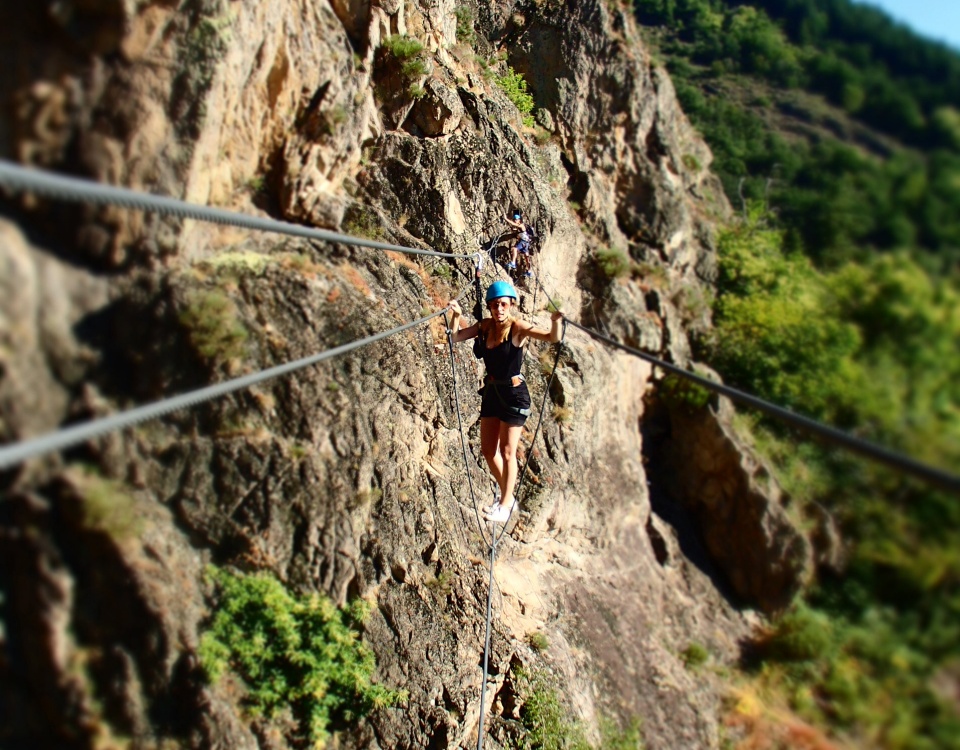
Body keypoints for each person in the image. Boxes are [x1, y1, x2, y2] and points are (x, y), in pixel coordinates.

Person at [447, 281, 563, 523]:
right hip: (491, 392)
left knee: (508, 452)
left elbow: (552, 338)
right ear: (489, 306)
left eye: (503, 304)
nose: (498, 308)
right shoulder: (485, 327)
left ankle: (504, 503)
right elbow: (454, 337)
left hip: (514, 394)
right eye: (494, 304)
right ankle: (508, 498)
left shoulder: (517, 327)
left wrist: (555, 321)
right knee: (489, 451)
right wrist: (456, 316)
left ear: (510, 305)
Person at [504, 211, 533, 277]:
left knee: (514, 249)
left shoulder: (521, 225)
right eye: (514, 219)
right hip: (526, 243)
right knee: (526, 256)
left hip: (523, 241)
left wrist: (506, 219)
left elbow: (515, 225)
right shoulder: (520, 227)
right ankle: (529, 271)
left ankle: (513, 263)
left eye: (516, 219)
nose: (515, 220)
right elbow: (515, 228)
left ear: (519, 220)